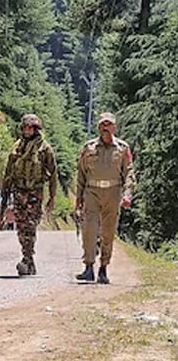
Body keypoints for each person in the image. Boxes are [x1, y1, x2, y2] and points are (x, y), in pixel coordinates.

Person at [75, 112, 136, 284]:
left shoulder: (123, 148)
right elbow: (81, 173)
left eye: (108, 124)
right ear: (98, 127)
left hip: (113, 192)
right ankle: (88, 267)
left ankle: (103, 268)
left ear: (114, 127)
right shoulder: (89, 148)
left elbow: (129, 172)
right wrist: (78, 197)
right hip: (92, 192)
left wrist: (127, 195)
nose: (105, 127)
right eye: (102, 124)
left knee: (108, 232)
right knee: (89, 230)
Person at [0, 114, 57, 276]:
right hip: (18, 192)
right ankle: (28, 259)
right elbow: (8, 172)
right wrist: (5, 196)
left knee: (30, 226)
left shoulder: (44, 149)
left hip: (34, 193)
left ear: (36, 129)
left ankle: (27, 258)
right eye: (25, 127)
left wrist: (52, 197)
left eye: (30, 128)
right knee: (21, 226)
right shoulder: (16, 148)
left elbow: (53, 174)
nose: (27, 130)